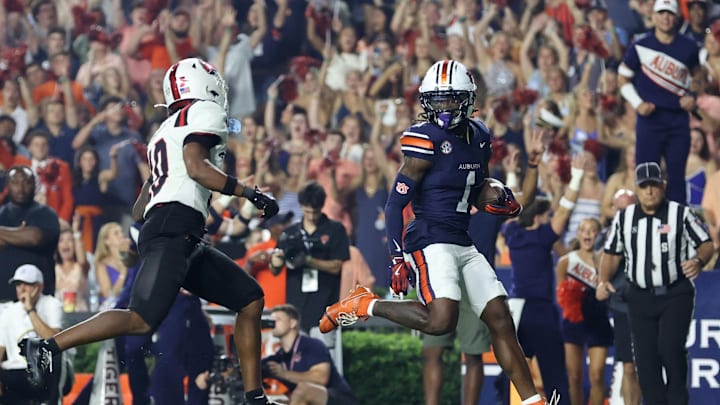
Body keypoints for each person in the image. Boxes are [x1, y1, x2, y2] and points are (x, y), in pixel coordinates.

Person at [18, 57, 282, 405]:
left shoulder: (165, 129)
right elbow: (196, 167)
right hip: (175, 229)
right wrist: (251, 193)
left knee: (250, 298)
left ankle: (254, 397)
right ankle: (48, 345)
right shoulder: (205, 112)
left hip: (176, 232)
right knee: (140, 320)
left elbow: (140, 206)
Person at [319, 60, 558, 405]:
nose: (443, 107)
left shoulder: (480, 136)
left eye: (450, 99)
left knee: (500, 318)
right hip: (429, 238)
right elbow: (393, 205)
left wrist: (499, 197)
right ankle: (365, 303)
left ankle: (531, 401)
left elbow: (476, 189)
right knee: (441, 320)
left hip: (462, 239)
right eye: (437, 99)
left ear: (467, 100)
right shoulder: (424, 139)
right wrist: (398, 258)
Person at [423, 134, 545, 405]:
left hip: (474, 284)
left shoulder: (488, 204)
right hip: (439, 275)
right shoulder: (440, 198)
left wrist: (533, 166)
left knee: (473, 354)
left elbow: (525, 200)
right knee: (433, 352)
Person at [597, 162, 713, 405]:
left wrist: (699, 260)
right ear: (637, 189)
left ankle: (678, 400)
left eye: (654, 185)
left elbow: (706, 242)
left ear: (664, 186)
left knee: (670, 350)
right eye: (644, 186)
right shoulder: (624, 218)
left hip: (675, 293)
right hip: (639, 296)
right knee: (646, 361)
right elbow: (611, 252)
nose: (649, 191)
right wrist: (603, 279)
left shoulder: (680, 214)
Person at [618, 0, 701, 203]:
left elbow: (698, 78)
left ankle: (676, 224)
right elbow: (622, 78)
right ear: (653, 17)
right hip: (650, 121)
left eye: (670, 13)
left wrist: (692, 96)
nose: (665, 18)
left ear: (676, 17)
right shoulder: (640, 46)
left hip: (678, 121)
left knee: (676, 177)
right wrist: (638, 103)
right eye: (661, 13)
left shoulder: (688, 47)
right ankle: (648, 222)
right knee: (647, 175)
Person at [269, 182, 350, 333]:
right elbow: (274, 270)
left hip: (325, 307)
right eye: (307, 212)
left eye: (315, 212)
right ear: (301, 206)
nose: (312, 216)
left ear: (322, 206)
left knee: (323, 352)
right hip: (296, 306)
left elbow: (336, 266)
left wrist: (307, 260)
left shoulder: (335, 230)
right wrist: (276, 262)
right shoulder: (290, 234)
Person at [556, 218, 612, 405]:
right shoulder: (566, 262)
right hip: (573, 323)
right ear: (578, 234)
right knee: (574, 376)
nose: (587, 234)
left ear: (598, 235)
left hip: (598, 321)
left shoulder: (605, 260)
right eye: (583, 230)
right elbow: (560, 294)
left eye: (592, 230)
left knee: (597, 374)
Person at [261, 304, 357, 405]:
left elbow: (321, 378)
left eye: (278, 319)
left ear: (292, 323)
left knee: (303, 390)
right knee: (276, 400)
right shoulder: (280, 356)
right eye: (272, 320)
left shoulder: (312, 345)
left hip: (337, 399)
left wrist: (283, 374)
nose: (272, 323)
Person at [0, 264, 62, 404]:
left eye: (27, 284)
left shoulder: (52, 304)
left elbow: (55, 341)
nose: (21, 289)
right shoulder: (8, 312)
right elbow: (0, 349)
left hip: (43, 371)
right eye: (18, 284)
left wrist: (30, 310)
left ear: (39, 287)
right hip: (14, 372)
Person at [0, 166, 60, 301]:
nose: (21, 188)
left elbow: (35, 238)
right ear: (7, 185)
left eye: (26, 182)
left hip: (39, 299)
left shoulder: (46, 213)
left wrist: (5, 236)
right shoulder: (1, 214)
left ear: (35, 185)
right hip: (2, 300)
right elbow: (28, 237)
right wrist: (20, 234)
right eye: (15, 183)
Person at [605, 188, 641, 405]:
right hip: (622, 307)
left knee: (646, 366)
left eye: (628, 210)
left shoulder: (650, 233)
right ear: (612, 211)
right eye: (619, 210)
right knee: (628, 366)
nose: (623, 214)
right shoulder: (606, 235)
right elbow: (602, 271)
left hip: (649, 305)